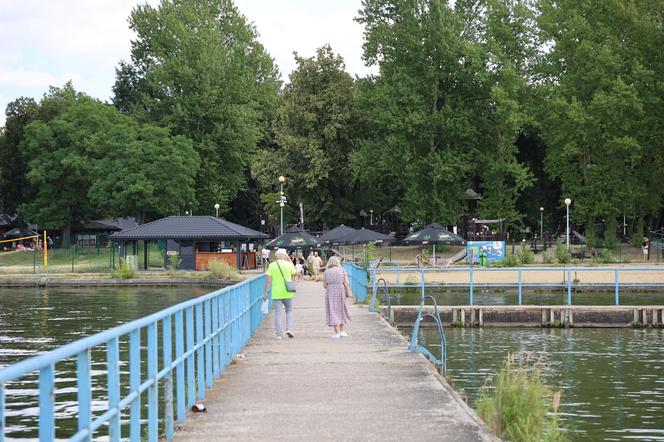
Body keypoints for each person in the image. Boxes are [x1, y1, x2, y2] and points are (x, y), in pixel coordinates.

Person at [264, 248, 296, 339]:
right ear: (284, 256)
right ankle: (289, 329)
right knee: (289, 311)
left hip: (276, 293)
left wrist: (265, 293)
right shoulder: (289, 264)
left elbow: (268, 281)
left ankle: (279, 334)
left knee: (278, 313)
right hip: (288, 292)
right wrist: (289, 259)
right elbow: (294, 273)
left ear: (276, 256)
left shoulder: (272, 265)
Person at [323, 256, 352, 339]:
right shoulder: (342, 270)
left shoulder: (326, 272)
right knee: (342, 309)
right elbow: (346, 282)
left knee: (333, 310)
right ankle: (342, 331)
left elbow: (325, 286)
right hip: (341, 291)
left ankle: (337, 333)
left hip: (330, 292)